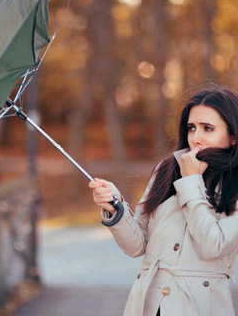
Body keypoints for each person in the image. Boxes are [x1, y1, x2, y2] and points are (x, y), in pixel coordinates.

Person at [89, 86, 238, 316]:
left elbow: (213, 245)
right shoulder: (167, 170)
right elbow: (137, 244)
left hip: (201, 307)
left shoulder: (234, 185)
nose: (196, 138)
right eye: (192, 128)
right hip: (150, 303)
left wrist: (192, 181)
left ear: (233, 135)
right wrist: (115, 206)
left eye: (208, 128)